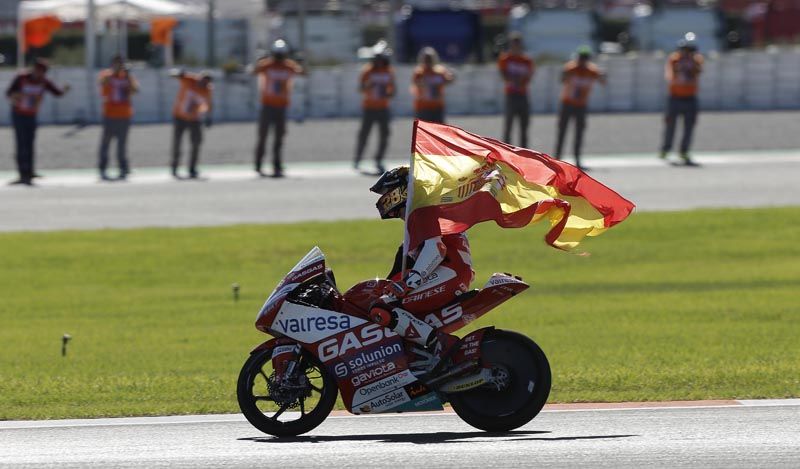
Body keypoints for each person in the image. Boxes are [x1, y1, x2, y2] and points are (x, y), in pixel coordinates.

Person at [367, 167, 473, 362]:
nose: (384, 198)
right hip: (450, 272)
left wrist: (409, 283)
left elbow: (436, 250)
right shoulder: (417, 218)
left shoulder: (421, 210)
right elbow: (396, 273)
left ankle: (441, 346)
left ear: (401, 191)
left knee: (384, 307)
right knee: (381, 303)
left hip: (449, 271)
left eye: (386, 193)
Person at [5, 58, 70, 185]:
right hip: (18, 115)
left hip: (31, 115)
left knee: (30, 144)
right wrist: (18, 97)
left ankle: (30, 171)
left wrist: (65, 89)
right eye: (38, 70)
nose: (40, 74)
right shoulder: (21, 78)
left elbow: (57, 93)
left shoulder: (44, 81)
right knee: (21, 144)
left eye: (43, 72)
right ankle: (22, 173)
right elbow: (8, 93)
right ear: (34, 69)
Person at [252, 39, 304, 178]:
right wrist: (259, 61)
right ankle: (258, 163)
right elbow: (253, 71)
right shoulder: (267, 65)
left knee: (279, 138)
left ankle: (277, 164)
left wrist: (301, 62)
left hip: (281, 106)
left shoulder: (289, 66)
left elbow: (303, 72)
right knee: (263, 136)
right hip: (267, 105)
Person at [554, 46, 605, 171]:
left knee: (579, 133)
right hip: (567, 103)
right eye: (581, 58)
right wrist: (565, 73)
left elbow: (603, 81)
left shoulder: (592, 70)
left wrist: (602, 75)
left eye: (585, 58)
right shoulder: (571, 68)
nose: (583, 61)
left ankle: (577, 159)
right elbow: (561, 79)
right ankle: (557, 158)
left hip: (581, 105)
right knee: (562, 131)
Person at [660, 33, 704, 166]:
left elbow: (699, 71)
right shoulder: (674, 59)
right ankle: (666, 149)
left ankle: (684, 150)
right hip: (675, 97)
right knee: (670, 124)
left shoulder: (697, 60)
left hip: (690, 97)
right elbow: (670, 76)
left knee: (689, 126)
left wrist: (691, 63)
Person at [354, 41, 396, 174]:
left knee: (384, 134)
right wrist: (369, 86)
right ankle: (358, 158)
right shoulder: (367, 71)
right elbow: (360, 88)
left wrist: (388, 93)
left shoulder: (389, 71)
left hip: (383, 107)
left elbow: (393, 90)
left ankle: (378, 159)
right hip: (369, 107)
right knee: (364, 133)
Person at [97, 55, 139, 181]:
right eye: (116, 64)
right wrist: (112, 75)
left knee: (122, 145)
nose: (119, 66)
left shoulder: (127, 77)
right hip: (110, 114)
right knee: (105, 143)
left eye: (121, 64)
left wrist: (127, 78)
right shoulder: (106, 75)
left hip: (124, 115)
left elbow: (135, 90)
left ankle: (123, 168)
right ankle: (103, 167)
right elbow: (101, 84)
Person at [170, 69, 213, 179]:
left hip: (194, 119)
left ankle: (192, 168)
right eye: (203, 80)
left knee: (196, 142)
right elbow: (175, 74)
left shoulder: (207, 90)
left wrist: (208, 117)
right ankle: (174, 167)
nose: (203, 83)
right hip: (180, 116)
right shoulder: (190, 80)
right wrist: (179, 73)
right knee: (177, 142)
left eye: (206, 81)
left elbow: (208, 104)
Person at [498, 32, 535, 148]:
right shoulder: (505, 59)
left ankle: (524, 151)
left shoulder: (526, 60)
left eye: (518, 44)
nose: (516, 47)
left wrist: (519, 82)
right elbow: (504, 75)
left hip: (523, 95)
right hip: (511, 95)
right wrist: (514, 80)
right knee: (508, 125)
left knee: (524, 125)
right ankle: (505, 150)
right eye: (514, 44)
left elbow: (529, 77)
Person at [411, 47, 454, 124]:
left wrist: (451, 76)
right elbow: (415, 83)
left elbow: (449, 80)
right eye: (426, 59)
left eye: (429, 59)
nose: (428, 61)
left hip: (437, 106)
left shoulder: (440, 71)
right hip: (422, 107)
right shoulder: (419, 72)